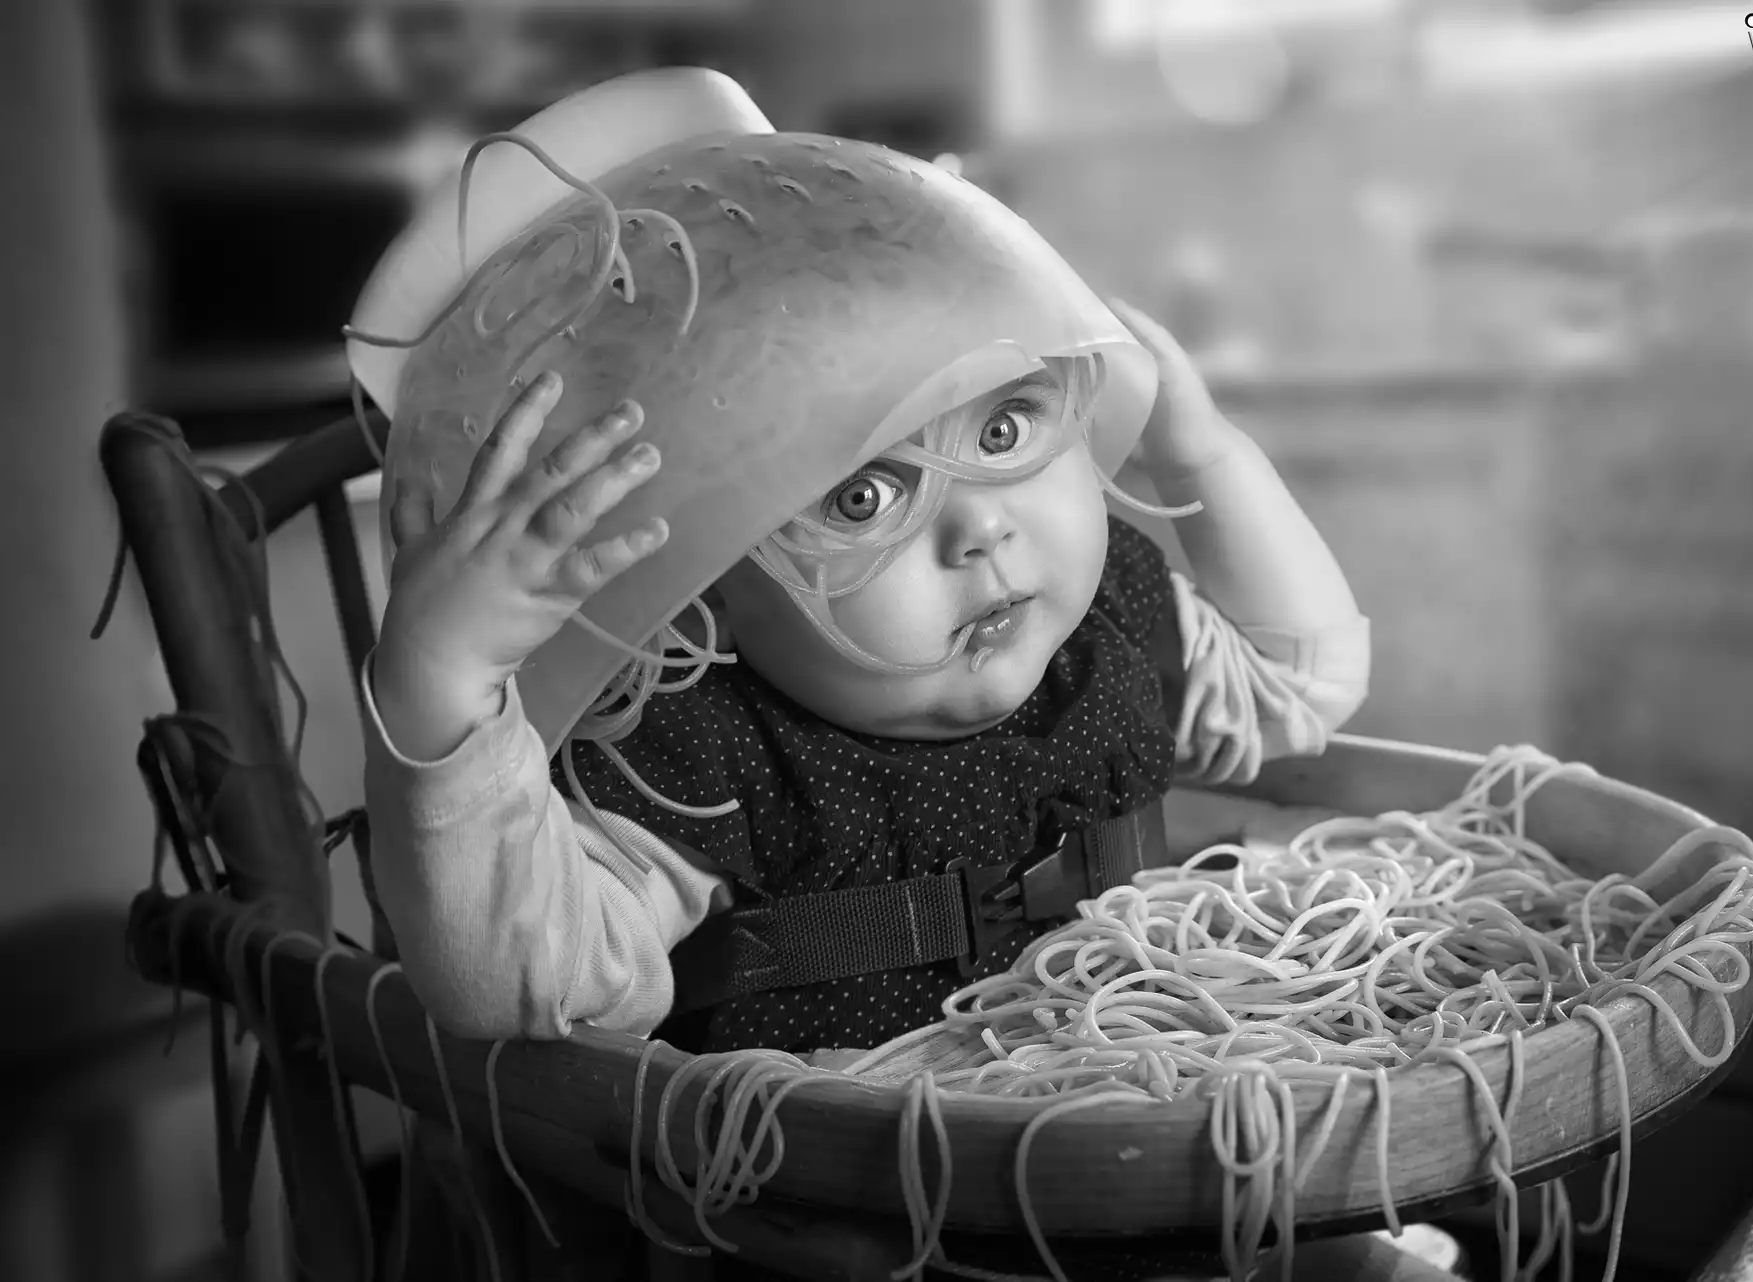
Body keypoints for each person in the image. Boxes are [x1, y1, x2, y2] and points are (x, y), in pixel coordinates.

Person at [350, 71, 1370, 1061]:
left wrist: (1205, 456)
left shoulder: (1101, 623)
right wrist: (443, 683)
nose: (982, 532)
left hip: (1155, 1112)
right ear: (698, 600)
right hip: (865, 1200)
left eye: (1007, 427)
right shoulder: (699, 757)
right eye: (862, 498)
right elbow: (527, 987)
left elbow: (1301, 692)